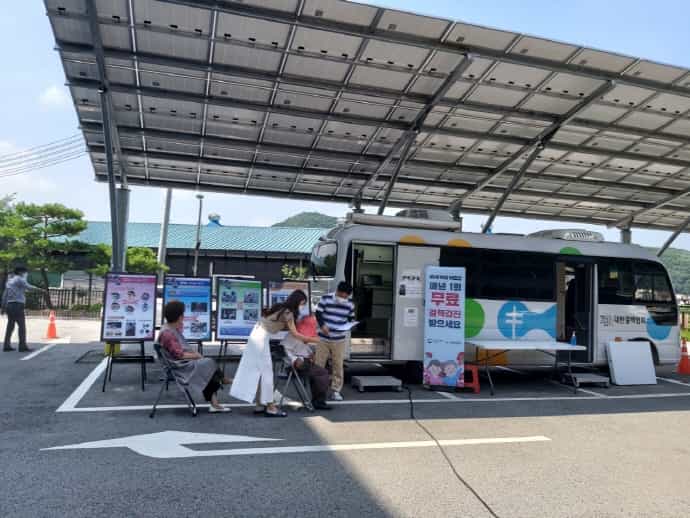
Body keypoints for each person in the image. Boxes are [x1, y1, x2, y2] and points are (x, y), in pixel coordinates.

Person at [230, 290, 319, 417]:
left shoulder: (281, 308)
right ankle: (270, 406)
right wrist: (315, 340)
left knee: (260, 371)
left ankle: (260, 404)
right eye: (302, 303)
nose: (302, 306)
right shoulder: (288, 312)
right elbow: (295, 334)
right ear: (297, 301)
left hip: (256, 335)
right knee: (266, 373)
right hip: (261, 338)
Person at [158, 300, 231, 413]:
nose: (184, 316)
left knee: (208, 365)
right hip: (179, 367)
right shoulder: (168, 333)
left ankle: (216, 401)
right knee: (209, 363)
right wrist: (196, 355)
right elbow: (179, 355)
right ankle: (223, 382)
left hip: (178, 364)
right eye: (182, 314)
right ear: (179, 316)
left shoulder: (168, 328)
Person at [281, 312, 332, 411]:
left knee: (322, 373)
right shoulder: (292, 335)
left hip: (304, 362)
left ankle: (318, 401)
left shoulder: (306, 334)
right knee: (321, 373)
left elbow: (307, 348)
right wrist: (295, 359)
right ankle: (318, 402)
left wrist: (311, 354)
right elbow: (284, 350)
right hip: (293, 365)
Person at [314, 281, 355, 401]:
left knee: (338, 365)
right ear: (337, 292)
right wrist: (322, 325)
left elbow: (351, 318)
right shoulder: (326, 298)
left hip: (339, 339)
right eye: (342, 296)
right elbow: (318, 313)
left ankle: (336, 390)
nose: (344, 299)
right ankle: (317, 390)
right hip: (323, 338)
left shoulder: (350, 304)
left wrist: (350, 324)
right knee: (319, 364)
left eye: (346, 297)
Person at [2, 267, 44, 352]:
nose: (26, 274)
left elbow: (5, 294)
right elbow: (29, 287)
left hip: (9, 305)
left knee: (10, 326)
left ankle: (6, 345)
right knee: (21, 326)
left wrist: (3, 307)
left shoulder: (10, 281)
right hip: (17, 305)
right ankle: (22, 346)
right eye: (25, 272)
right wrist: (40, 290)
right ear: (21, 272)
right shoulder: (19, 279)